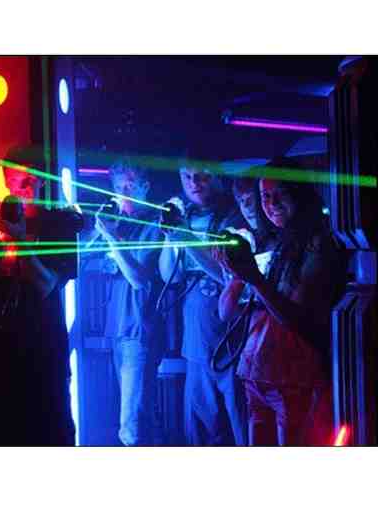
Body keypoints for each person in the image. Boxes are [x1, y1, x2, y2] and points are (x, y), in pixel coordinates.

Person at [214, 170, 343, 445]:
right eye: (265, 196)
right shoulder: (276, 241)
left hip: (293, 377)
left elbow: (295, 317)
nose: (271, 204)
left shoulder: (318, 242)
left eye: (279, 194)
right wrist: (237, 272)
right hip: (256, 373)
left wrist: (253, 276)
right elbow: (225, 313)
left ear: (299, 193)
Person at [0, 145, 76, 446]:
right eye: (16, 181)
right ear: (6, 182)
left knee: (51, 436)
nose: (23, 188)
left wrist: (20, 240)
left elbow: (47, 285)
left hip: (45, 353)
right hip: (0, 354)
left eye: (30, 180)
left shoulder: (60, 225)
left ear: (42, 180)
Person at [158, 159, 247, 446]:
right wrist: (171, 236)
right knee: (202, 428)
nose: (193, 184)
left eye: (201, 176)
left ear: (216, 175)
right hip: (197, 340)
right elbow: (169, 275)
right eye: (186, 177)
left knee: (242, 425)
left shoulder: (235, 214)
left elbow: (228, 273)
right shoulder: (186, 215)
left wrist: (185, 236)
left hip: (232, 340)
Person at [93, 157, 165, 446]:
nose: (123, 192)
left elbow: (139, 279)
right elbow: (87, 259)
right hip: (119, 330)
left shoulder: (155, 224)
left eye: (130, 185)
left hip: (140, 331)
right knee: (137, 413)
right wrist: (104, 231)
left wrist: (112, 238)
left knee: (132, 422)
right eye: (118, 187)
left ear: (145, 187)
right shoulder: (120, 223)